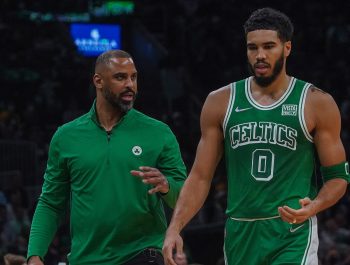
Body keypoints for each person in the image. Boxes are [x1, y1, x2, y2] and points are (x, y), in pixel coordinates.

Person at [163, 7, 349, 265]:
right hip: (240, 233)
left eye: (269, 46)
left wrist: (315, 205)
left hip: (291, 233)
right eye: (253, 48)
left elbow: (338, 178)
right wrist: (175, 228)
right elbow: (200, 176)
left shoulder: (316, 102)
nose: (260, 55)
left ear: (287, 48)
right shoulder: (220, 101)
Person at [27, 49, 187, 265]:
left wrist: (167, 185)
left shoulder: (158, 133)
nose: (130, 84)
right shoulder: (66, 137)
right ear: (98, 81)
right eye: (120, 77)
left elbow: (185, 198)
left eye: (134, 77)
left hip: (142, 254)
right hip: (86, 258)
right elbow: (51, 203)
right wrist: (35, 254)